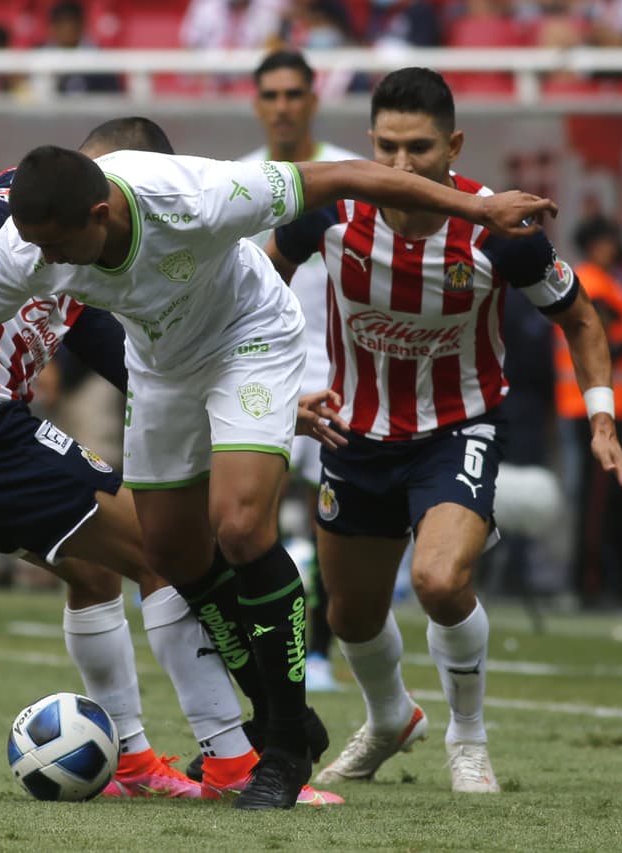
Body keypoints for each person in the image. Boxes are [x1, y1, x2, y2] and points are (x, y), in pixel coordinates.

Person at [0, 114, 555, 806]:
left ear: (100, 210)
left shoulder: (198, 195)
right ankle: (254, 725)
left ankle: (272, 752)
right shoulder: (28, 242)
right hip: (162, 366)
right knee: (173, 553)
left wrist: (476, 209)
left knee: (239, 526)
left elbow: (345, 176)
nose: (45, 265)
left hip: (249, 337)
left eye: (57, 247)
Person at [0, 116, 340, 805]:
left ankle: (130, 762)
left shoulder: (95, 250)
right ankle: (234, 760)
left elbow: (131, 359)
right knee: (162, 553)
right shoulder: (26, 215)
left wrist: (263, 403)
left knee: (96, 571)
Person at [263, 67, 622, 793]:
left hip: (458, 426)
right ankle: (388, 718)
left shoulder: (499, 228)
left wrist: (602, 415)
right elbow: (258, 283)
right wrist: (276, 391)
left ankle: (467, 737)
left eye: (419, 148)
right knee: (350, 613)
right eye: (387, 147)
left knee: (439, 580)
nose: (401, 166)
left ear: (455, 145)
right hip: (355, 431)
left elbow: (581, 319)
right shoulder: (332, 208)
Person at [241, 49, 365, 694]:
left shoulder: (347, 173)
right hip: (257, 368)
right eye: (272, 95)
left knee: (328, 518)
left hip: (339, 367)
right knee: (248, 515)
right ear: (257, 103)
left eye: (295, 94)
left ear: (313, 100)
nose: (284, 106)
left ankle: (317, 650)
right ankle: (259, 643)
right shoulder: (232, 182)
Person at [555, 215, 622, 608]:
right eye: (607, 241)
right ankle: (588, 583)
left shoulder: (615, 284)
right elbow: (593, 344)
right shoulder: (590, 282)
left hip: (621, 407)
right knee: (596, 501)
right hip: (588, 408)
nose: (615, 248)